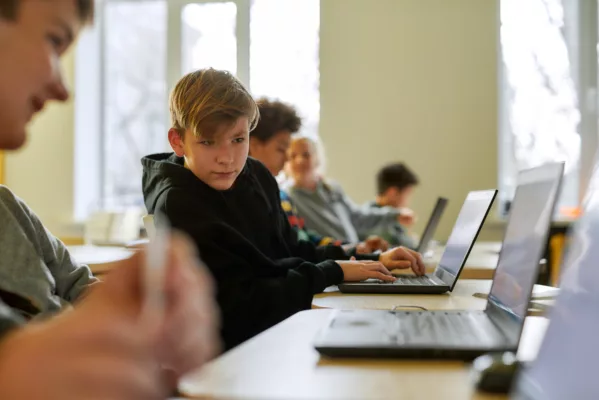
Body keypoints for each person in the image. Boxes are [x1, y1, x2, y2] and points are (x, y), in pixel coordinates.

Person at [0, 1, 219, 398]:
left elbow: (80, 287)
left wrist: (138, 311)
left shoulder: (8, 206)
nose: (62, 89)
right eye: (53, 40)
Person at [141, 69, 425, 350]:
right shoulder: (177, 204)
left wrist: (368, 259)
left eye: (238, 139)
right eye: (207, 142)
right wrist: (333, 271)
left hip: (279, 331)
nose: (227, 158)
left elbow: (290, 249)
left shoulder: (255, 174)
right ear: (178, 141)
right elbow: (241, 308)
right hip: (234, 351)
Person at [249, 97, 388, 254]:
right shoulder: (252, 197)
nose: (288, 159)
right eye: (281, 149)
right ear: (253, 145)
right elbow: (288, 256)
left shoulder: (279, 196)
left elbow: (305, 240)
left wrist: (355, 248)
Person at [284, 136, 412, 243]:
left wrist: (395, 215)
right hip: (329, 259)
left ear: (317, 158)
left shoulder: (332, 188)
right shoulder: (287, 197)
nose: (299, 161)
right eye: (293, 156)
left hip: (354, 254)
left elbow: (357, 218)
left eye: (306, 155)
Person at [366, 163, 419, 248]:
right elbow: (405, 246)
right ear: (392, 192)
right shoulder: (374, 222)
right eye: (407, 194)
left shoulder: (393, 218)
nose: (408, 201)